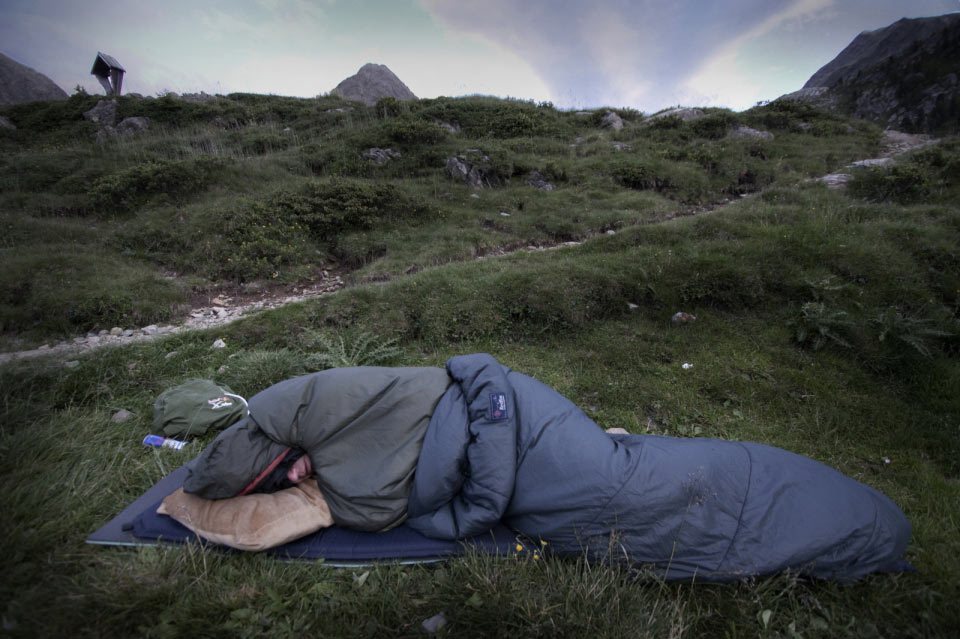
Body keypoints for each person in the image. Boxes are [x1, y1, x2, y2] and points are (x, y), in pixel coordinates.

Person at [185, 353, 912, 582]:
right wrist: (468, 507)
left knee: (636, 483)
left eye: (285, 466)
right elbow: (393, 510)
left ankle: (849, 520)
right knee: (638, 488)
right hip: (527, 471)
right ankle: (850, 521)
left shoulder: (342, 395)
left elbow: (477, 381)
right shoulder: (341, 481)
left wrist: (473, 501)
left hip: (527, 429)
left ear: (284, 438)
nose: (297, 476)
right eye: (286, 480)